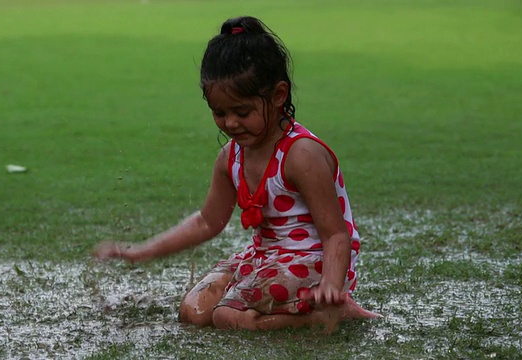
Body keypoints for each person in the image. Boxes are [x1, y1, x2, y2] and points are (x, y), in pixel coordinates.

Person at [94, 16, 380, 332]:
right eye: (220, 113)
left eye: (242, 112)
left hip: (315, 262)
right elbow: (207, 221)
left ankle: (329, 311)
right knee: (195, 311)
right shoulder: (230, 157)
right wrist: (143, 250)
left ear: (278, 95)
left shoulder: (301, 155)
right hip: (264, 258)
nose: (230, 123)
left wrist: (331, 286)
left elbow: (335, 234)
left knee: (224, 317)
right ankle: (286, 313)